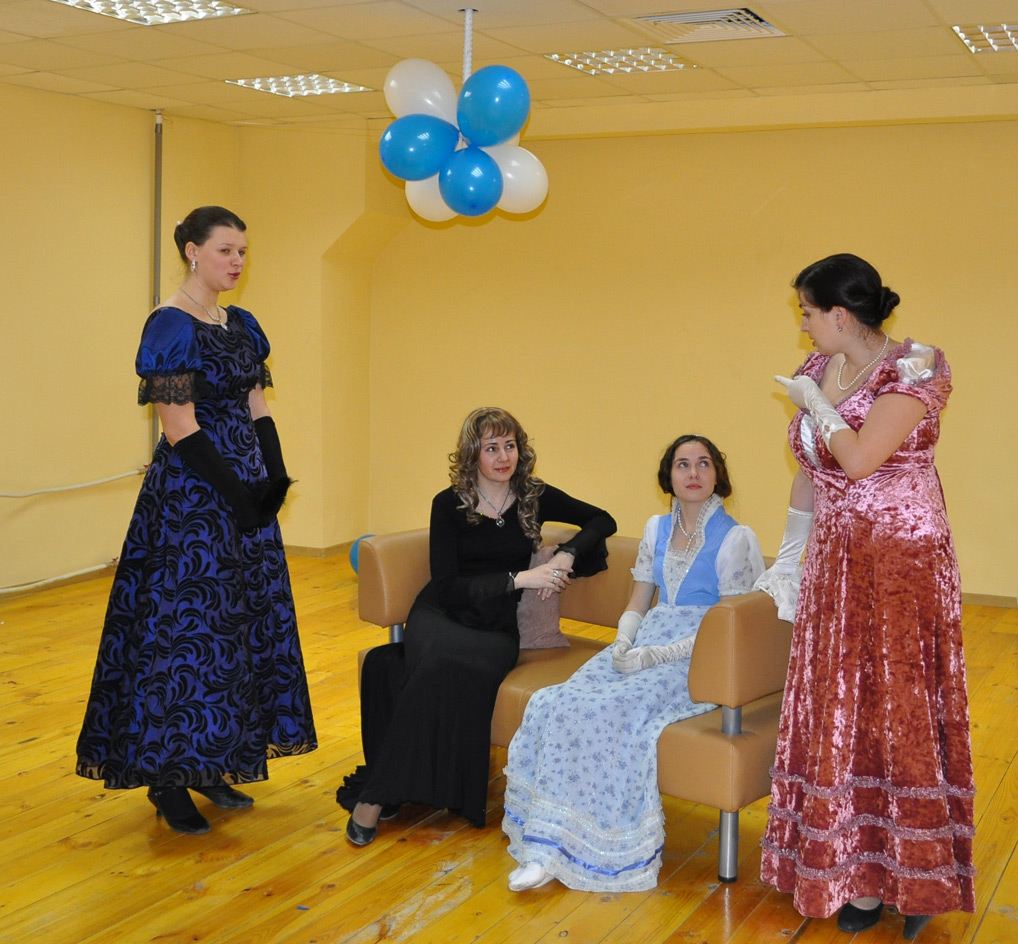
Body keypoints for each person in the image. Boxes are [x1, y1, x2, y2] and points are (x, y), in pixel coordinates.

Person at [75, 206, 317, 835]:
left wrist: (274, 480)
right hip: (194, 500)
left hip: (246, 498)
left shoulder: (241, 324)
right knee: (185, 634)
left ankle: (211, 760)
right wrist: (238, 496)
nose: (236, 261)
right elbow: (179, 427)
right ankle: (166, 777)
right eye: (224, 250)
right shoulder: (169, 325)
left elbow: (257, 406)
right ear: (192, 251)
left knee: (236, 631)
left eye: (242, 251)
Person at [757, 254, 974, 941]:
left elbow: (858, 459)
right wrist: (788, 559)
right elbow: (811, 469)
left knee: (898, 711)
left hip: (899, 559)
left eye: (807, 312)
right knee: (842, 711)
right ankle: (855, 870)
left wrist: (816, 405)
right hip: (836, 560)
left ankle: (917, 875)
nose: (803, 324)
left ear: (840, 314)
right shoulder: (819, 368)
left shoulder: (916, 365)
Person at [337, 407, 616, 846]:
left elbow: (603, 519)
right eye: (491, 448)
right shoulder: (448, 504)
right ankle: (377, 795)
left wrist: (568, 553)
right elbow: (447, 586)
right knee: (432, 662)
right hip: (441, 615)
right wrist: (520, 579)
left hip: (495, 630)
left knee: (400, 665)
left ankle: (385, 789)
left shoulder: (533, 495)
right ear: (473, 454)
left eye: (510, 446)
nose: (503, 457)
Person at [502, 435, 765, 892]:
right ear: (669, 477)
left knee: (609, 711)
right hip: (646, 639)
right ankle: (546, 842)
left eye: (704, 463)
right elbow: (640, 600)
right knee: (555, 701)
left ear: (717, 474)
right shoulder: (655, 529)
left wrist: (658, 655)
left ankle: (586, 847)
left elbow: (729, 625)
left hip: (698, 657)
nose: (694, 473)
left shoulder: (735, 539)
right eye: (683, 464)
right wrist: (625, 640)